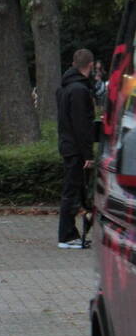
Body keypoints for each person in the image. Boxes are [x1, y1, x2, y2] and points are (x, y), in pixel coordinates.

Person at [56, 48, 97, 249]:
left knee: (72, 190)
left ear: (74, 64)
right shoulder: (80, 90)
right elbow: (81, 125)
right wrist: (88, 154)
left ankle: (70, 234)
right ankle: (67, 236)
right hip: (75, 148)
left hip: (67, 144)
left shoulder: (64, 88)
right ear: (90, 65)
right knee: (72, 192)